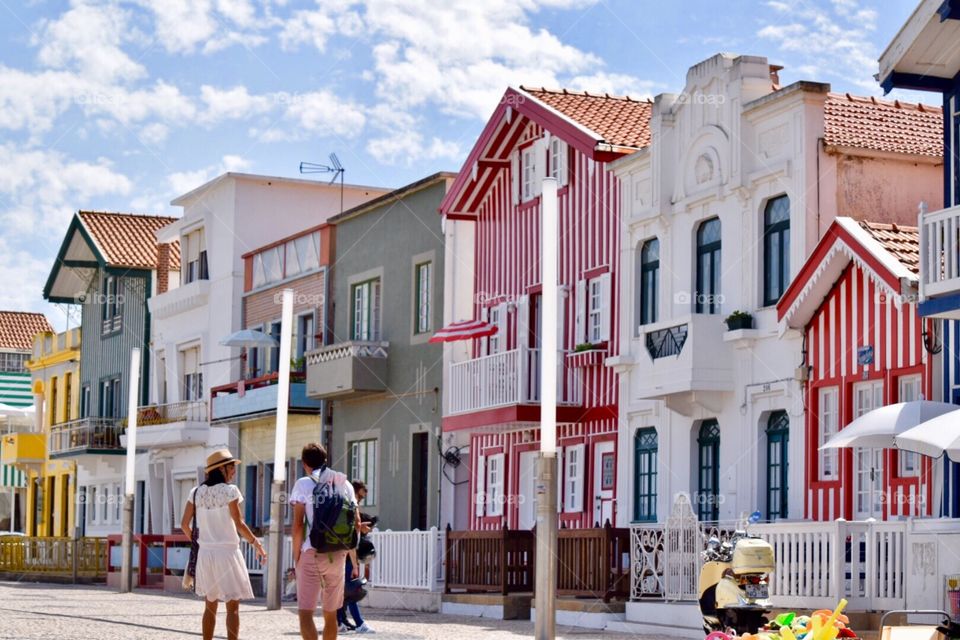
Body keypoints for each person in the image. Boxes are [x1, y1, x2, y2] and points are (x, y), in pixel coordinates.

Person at [181, 449, 266, 640]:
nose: (234, 471)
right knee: (232, 608)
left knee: (210, 606)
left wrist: (200, 542)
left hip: (206, 555)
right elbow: (239, 523)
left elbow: (184, 524)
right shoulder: (230, 491)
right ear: (221, 468)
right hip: (227, 554)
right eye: (231, 467)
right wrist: (256, 543)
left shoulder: (195, 493)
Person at [290, 443, 368, 640]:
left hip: (312, 552)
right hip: (339, 554)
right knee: (331, 614)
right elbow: (357, 523)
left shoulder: (303, 483)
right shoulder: (345, 484)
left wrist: (296, 556)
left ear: (305, 463)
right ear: (326, 460)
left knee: (306, 612)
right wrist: (349, 551)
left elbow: (298, 525)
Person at [337, 480, 374, 634]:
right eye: (361, 496)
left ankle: (340, 622)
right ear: (356, 491)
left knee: (342, 591)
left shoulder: (342, 504)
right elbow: (353, 527)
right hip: (347, 555)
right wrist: (361, 528)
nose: (361, 500)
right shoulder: (351, 504)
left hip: (339, 553)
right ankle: (358, 623)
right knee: (351, 591)